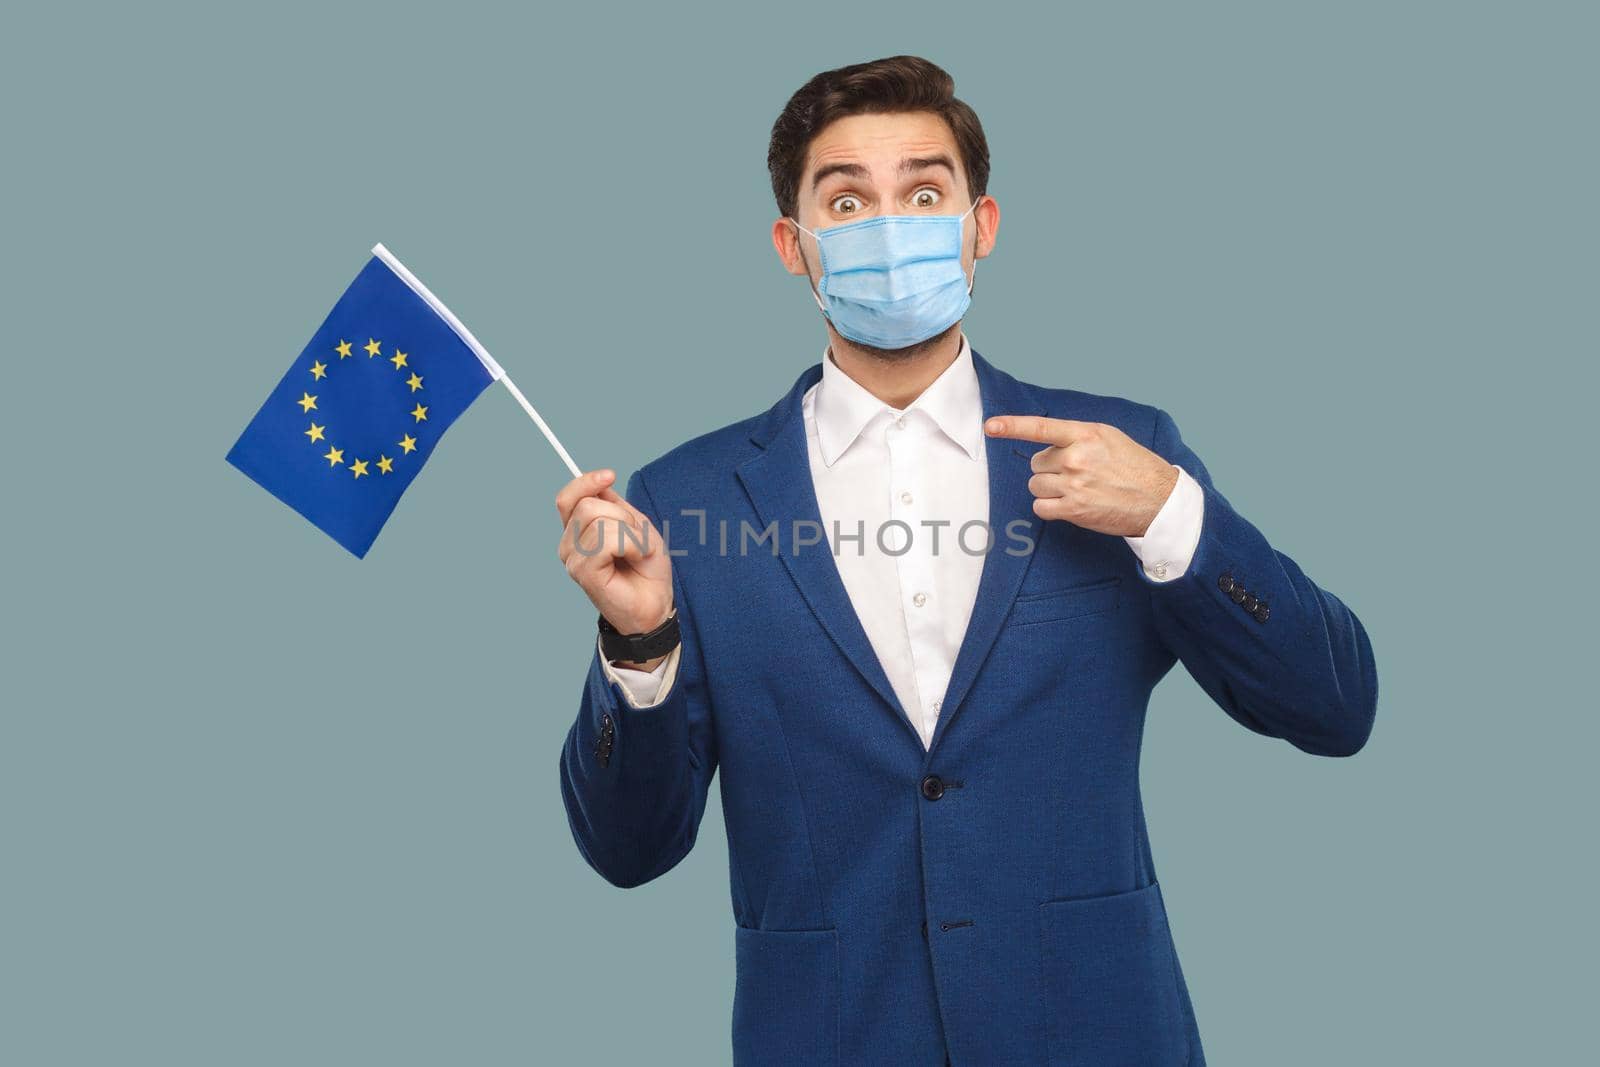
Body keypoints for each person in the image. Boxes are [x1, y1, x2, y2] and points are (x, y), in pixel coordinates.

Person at [555, 54, 1377, 1067]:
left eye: (924, 190)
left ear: (978, 226)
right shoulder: (689, 498)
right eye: (847, 199)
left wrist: (1172, 515)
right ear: (793, 245)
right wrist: (640, 645)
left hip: (1098, 1034)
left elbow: (1335, 706)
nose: (888, 225)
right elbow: (629, 849)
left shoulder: (1117, 450)